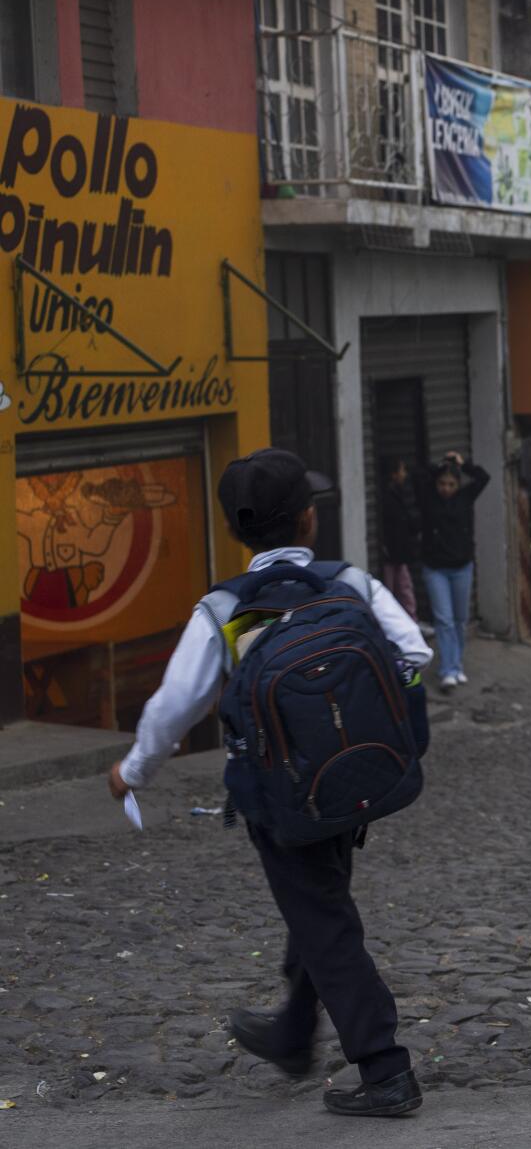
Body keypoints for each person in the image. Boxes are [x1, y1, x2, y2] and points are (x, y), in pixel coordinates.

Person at [105, 448, 430, 1117]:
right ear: (309, 522)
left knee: (322, 916)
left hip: (278, 798)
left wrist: (130, 771)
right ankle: (291, 1030)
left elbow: (173, 709)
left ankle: (385, 1066)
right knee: (319, 901)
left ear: (237, 532)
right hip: (355, 777)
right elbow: (416, 653)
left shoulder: (222, 607)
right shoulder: (351, 583)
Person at [419, 450, 488, 691]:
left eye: (450, 484)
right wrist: (440, 465)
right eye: (442, 483)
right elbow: (419, 476)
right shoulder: (428, 498)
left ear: (458, 484)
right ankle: (448, 669)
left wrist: (463, 463)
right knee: (444, 620)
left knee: (460, 620)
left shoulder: (465, 497)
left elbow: (483, 478)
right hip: (435, 568)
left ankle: (456, 664)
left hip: (462, 567)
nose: (446, 488)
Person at [378, 459, 421, 618]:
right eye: (402, 470)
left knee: (405, 589)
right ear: (394, 474)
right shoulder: (387, 496)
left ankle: (411, 622)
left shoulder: (399, 493)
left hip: (399, 554)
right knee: (391, 592)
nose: (405, 474)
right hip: (391, 554)